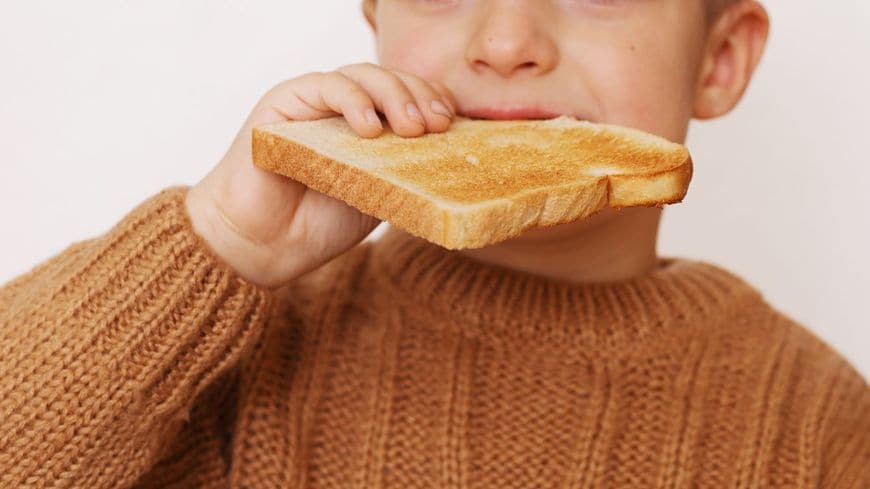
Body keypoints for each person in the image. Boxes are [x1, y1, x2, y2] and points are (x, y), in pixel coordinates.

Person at [1, 1, 867, 487]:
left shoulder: (817, 419)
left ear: (719, 60)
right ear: (375, 18)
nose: (505, 44)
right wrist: (219, 238)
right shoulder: (237, 356)